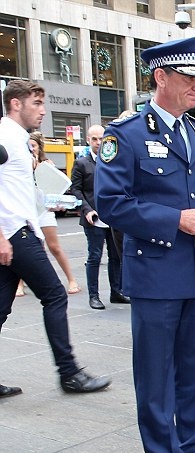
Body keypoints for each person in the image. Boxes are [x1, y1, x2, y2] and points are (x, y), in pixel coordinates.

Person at [95, 37, 195, 453]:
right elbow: (111, 203)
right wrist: (177, 219)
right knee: (156, 374)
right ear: (161, 77)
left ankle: (192, 452)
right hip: (156, 273)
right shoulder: (126, 134)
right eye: (190, 77)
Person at [0, 79, 111, 399]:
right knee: (55, 295)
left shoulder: (19, 139)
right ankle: (69, 373)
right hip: (15, 233)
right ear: (16, 104)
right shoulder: (6, 136)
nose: (42, 111)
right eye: (36, 103)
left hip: (18, 230)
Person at [70, 124, 127, 310]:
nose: (98, 142)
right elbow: (75, 189)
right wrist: (87, 209)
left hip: (112, 217)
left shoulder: (112, 161)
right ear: (88, 140)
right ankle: (93, 296)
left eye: (101, 138)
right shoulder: (81, 163)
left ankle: (116, 291)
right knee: (95, 257)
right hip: (93, 218)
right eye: (94, 139)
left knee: (116, 256)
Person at [23, 133, 81, 298]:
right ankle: (20, 284)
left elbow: (55, 188)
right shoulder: (20, 166)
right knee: (24, 248)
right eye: (28, 146)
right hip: (26, 212)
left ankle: (71, 280)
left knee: (54, 246)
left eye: (34, 146)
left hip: (44, 211)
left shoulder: (47, 165)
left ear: (39, 147)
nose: (31, 149)